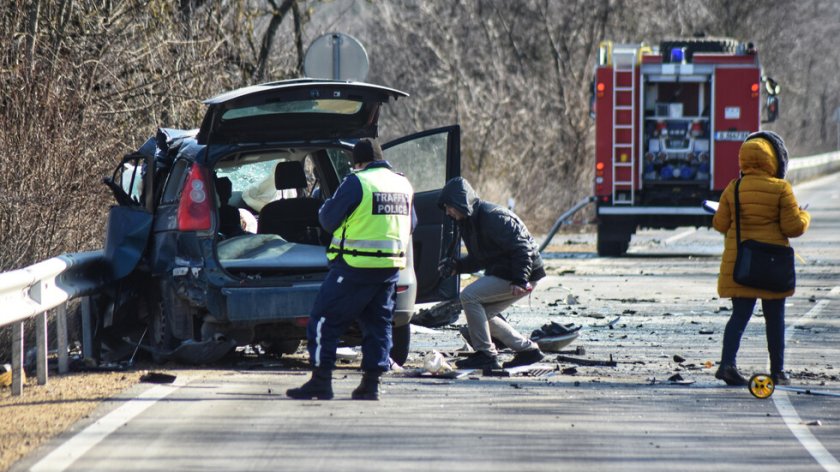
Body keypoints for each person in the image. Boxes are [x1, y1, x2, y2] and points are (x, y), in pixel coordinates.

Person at [286, 139, 415, 401]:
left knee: (324, 320)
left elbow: (327, 219)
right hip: (389, 268)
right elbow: (412, 223)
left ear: (358, 162)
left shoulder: (358, 181)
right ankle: (371, 384)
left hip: (355, 267)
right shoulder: (403, 183)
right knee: (378, 325)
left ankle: (321, 381)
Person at [712, 131, 810, 387]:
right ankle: (777, 371)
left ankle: (727, 364)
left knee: (739, 316)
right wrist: (804, 216)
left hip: (741, 264)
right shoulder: (781, 189)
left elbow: (720, 223)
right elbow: (793, 228)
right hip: (771, 266)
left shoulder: (734, 188)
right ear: (774, 160)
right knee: (775, 318)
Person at [437, 177, 546, 370]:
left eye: (449, 207)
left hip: (522, 273)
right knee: (481, 315)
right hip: (508, 271)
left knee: (469, 296)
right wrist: (458, 266)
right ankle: (529, 351)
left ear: (460, 202)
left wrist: (519, 279)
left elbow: (522, 248)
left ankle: (485, 354)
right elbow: (480, 258)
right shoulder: (469, 221)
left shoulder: (492, 217)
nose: (447, 212)